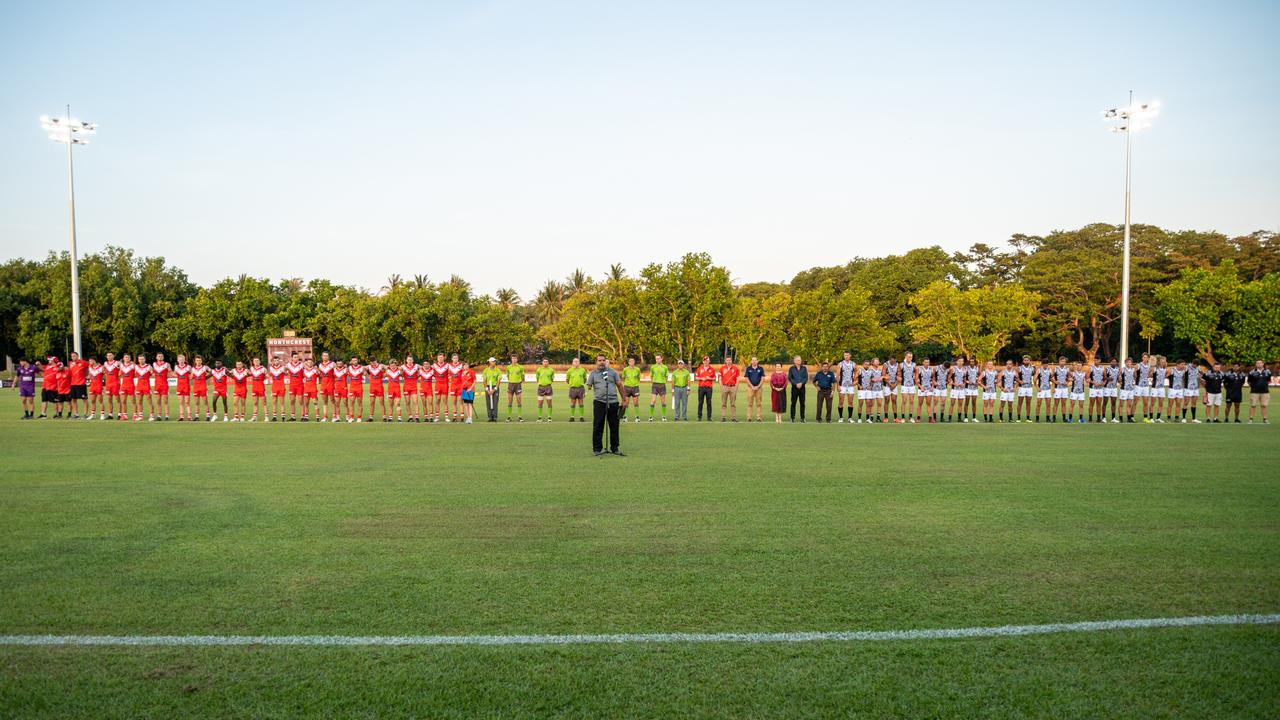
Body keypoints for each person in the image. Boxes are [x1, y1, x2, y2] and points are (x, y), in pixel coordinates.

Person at [587, 356, 626, 456]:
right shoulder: (593, 373)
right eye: (599, 361)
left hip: (613, 402)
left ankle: (615, 448)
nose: (602, 362)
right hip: (599, 402)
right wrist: (589, 386)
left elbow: (620, 385)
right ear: (596, 362)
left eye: (603, 360)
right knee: (598, 426)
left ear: (606, 362)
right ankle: (597, 449)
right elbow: (589, 385)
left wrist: (624, 399)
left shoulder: (613, 372)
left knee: (614, 426)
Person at [836, 351, 857, 423]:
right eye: (845, 355)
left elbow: (857, 373)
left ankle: (850, 418)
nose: (846, 356)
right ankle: (841, 417)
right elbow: (838, 375)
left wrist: (855, 382)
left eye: (847, 355)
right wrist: (838, 385)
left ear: (850, 355)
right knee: (841, 401)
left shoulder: (853, 364)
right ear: (843, 356)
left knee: (850, 402)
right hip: (842, 386)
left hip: (850, 386)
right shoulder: (840, 364)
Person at [565, 357, 587, 422]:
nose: (576, 362)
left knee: (581, 402)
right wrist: (572, 384)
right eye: (575, 361)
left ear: (579, 362)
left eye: (577, 361)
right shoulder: (569, 370)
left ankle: (581, 417)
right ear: (572, 362)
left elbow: (585, 379)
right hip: (573, 388)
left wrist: (581, 384)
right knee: (573, 403)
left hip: (581, 388)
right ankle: (572, 417)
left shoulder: (583, 370)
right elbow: (567, 380)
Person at [718, 356, 740, 422]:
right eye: (727, 360)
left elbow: (738, 378)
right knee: (724, 403)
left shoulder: (735, 368)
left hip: (733, 387)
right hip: (724, 386)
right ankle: (723, 417)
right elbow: (720, 378)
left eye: (730, 360)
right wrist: (721, 387)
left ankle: (733, 418)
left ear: (731, 361)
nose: (728, 361)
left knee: (733, 403)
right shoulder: (722, 368)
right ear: (725, 361)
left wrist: (736, 387)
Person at [648, 354, 670, 422]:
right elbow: (651, 375)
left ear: (661, 359)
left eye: (658, 358)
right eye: (656, 359)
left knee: (663, 401)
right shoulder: (653, 367)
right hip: (655, 385)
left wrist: (664, 382)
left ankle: (663, 416)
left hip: (662, 385)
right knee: (653, 400)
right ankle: (650, 416)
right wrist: (653, 382)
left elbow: (666, 376)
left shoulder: (665, 367)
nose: (657, 360)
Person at [67, 352, 88, 419]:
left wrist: (87, 375)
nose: (73, 357)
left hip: (81, 384)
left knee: (84, 399)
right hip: (73, 384)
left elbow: (89, 367)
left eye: (75, 356)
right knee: (73, 399)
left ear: (78, 356)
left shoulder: (83, 362)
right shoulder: (70, 364)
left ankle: (85, 414)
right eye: (72, 356)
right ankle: (76, 414)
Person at [620, 357, 642, 422]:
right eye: (630, 361)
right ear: (628, 362)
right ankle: (625, 417)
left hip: (635, 387)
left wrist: (635, 383)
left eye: (633, 361)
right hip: (627, 387)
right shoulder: (625, 369)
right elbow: (623, 378)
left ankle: (637, 417)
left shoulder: (637, 369)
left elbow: (638, 378)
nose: (631, 362)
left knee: (636, 403)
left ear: (634, 362)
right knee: (626, 403)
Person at [694, 357, 716, 421]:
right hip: (701, 388)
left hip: (709, 388)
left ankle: (709, 417)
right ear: (703, 361)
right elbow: (696, 377)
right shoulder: (699, 368)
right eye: (704, 361)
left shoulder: (712, 369)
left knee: (709, 403)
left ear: (709, 361)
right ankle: (699, 416)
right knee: (700, 402)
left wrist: (709, 378)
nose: (706, 362)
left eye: (707, 361)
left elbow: (714, 378)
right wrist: (701, 378)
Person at [787, 356, 808, 422]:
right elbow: (790, 378)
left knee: (802, 403)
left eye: (800, 360)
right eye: (798, 360)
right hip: (794, 388)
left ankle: (802, 418)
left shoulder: (804, 368)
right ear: (795, 361)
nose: (800, 361)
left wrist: (801, 383)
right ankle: (792, 417)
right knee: (793, 403)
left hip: (802, 388)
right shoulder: (791, 369)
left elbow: (806, 377)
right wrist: (796, 384)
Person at [744, 357, 765, 422]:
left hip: (759, 388)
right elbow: (746, 378)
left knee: (759, 403)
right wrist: (752, 386)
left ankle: (759, 417)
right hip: (750, 388)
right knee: (750, 403)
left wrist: (758, 386)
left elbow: (762, 378)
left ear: (757, 361)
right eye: (753, 360)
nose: (754, 361)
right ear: (751, 361)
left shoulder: (760, 368)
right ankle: (749, 417)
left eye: (755, 360)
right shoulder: (748, 368)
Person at [898, 352, 917, 424]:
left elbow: (916, 372)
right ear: (905, 356)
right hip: (904, 385)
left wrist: (916, 377)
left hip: (912, 385)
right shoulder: (901, 364)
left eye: (911, 357)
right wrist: (899, 377)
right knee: (904, 401)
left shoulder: (914, 364)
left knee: (911, 401)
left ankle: (910, 417)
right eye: (909, 357)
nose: (910, 358)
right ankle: (903, 417)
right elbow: (899, 373)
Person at [152, 352, 172, 421]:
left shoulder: (167, 364)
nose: (160, 357)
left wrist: (166, 375)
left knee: (165, 401)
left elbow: (170, 373)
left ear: (163, 357)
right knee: (158, 401)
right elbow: (152, 373)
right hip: (157, 385)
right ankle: (159, 415)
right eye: (159, 356)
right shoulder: (154, 364)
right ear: (156, 357)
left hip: (164, 385)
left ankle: (167, 415)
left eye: (161, 356)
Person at [134, 353, 153, 421]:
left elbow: (152, 374)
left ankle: (151, 415)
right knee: (139, 401)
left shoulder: (149, 366)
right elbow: (135, 374)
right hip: (139, 386)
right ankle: (140, 416)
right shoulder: (136, 367)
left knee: (149, 401)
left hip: (146, 386)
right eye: (139, 359)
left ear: (145, 359)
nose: (141, 360)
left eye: (142, 359)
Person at [535, 357, 556, 422]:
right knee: (540, 403)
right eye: (544, 362)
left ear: (548, 363)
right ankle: (539, 417)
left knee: (549, 403)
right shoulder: (539, 370)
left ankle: (549, 417)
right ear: (542, 362)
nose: (545, 363)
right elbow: (537, 378)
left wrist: (548, 383)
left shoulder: (551, 370)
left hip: (548, 387)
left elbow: (552, 379)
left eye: (546, 362)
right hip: (540, 387)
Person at [482, 357, 502, 422]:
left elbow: (499, 381)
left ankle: (495, 417)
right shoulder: (486, 370)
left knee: (495, 402)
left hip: (495, 387)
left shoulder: (498, 370)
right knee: (488, 402)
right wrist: (487, 389)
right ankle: (490, 416)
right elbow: (484, 381)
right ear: (490, 362)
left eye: (495, 361)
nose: (494, 362)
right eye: (493, 361)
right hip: (488, 387)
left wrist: (494, 389)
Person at [432, 353, 451, 422]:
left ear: (444, 358)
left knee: (445, 401)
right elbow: (431, 372)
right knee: (437, 400)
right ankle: (437, 417)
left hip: (445, 385)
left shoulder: (447, 365)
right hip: (438, 385)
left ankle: (446, 417)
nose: (440, 359)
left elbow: (450, 373)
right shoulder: (434, 365)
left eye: (441, 357)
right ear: (437, 358)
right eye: (439, 357)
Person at [286, 353, 305, 421]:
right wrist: (286, 373)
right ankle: (293, 416)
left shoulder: (302, 364)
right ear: (292, 358)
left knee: (301, 401)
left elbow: (306, 371)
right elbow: (285, 370)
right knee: (292, 401)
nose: (296, 358)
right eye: (294, 357)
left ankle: (303, 416)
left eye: (297, 357)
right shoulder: (288, 365)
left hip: (300, 385)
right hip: (292, 385)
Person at [447, 353, 466, 422]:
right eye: (454, 358)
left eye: (456, 358)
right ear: (452, 359)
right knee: (454, 402)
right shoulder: (449, 366)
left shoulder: (461, 365)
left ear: (458, 359)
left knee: (461, 401)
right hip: (453, 386)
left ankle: (462, 416)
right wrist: (450, 379)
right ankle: (455, 417)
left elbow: (464, 374)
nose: (455, 359)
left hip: (460, 386)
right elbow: (448, 374)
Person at [505, 354, 524, 422]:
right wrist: (511, 381)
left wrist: (518, 382)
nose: (514, 360)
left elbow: (523, 377)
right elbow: (507, 376)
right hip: (510, 384)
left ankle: (520, 416)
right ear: (511, 359)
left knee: (519, 401)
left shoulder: (520, 367)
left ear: (517, 359)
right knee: (510, 401)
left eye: (515, 358)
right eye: (513, 358)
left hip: (518, 384)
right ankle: (509, 416)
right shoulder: (508, 367)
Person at [366, 357, 385, 422]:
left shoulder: (381, 366)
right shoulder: (369, 367)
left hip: (379, 386)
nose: (372, 364)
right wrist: (367, 375)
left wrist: (384, 375)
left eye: (373, 362)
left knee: (381, 402)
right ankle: (371, 417)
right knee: (372, 402)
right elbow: (362, 368)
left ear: (376, 361)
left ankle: (384, 416)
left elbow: (388, 367)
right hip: (372, 387)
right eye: (371, 362)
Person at [402, 355, 420, 422]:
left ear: (413, 360)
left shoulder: (416, 366)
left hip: (413, 387)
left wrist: (418, 375)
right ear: (406, 360)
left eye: (411, 360)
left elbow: (424, 368)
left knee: (415, 402)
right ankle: (410, 417)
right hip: (406, 387)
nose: (409, 361)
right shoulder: (403, 367)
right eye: (408, 360)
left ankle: (417, 417)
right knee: (407, 402)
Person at [190, 357, 210, 421]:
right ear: (195, 361)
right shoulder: (193, 369)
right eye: (197, 360)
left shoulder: (205, 367)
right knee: (196, 403)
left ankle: (208, 416)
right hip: (196, 387)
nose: (198, 361)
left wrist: (207, 376)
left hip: (203, 387)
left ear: (201, 361)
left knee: (205, 402)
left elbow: (212, 372)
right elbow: (191, 377)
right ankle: (197, 416)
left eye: (199, 360)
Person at [103, 353, 121, 419]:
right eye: (107, 355)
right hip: (108, 384)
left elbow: (122, 368)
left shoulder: (117, 363)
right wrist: (105, 373)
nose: (109, 357)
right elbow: (103, 370)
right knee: (109, 399)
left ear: (113, 356)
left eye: (110, 355)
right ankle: (110, 414)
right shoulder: (105, 363)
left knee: (117, 399)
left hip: (115, 383)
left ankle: (119, 414)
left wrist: (119, 372)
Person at [175, 355, 193, 421]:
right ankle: (181, 416)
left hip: (186, 386)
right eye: (180, 360)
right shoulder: (176, 367)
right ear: (178, 360)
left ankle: (189, 416)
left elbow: (192, 373)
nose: (181, 361)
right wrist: (176, 375)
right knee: (181, 402)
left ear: (184, 360)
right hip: (179, 386)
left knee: (187, 402)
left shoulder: (188, 367)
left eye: (182, 359)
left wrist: (190, 377)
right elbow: (174, 374)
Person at [118, 354, 136, 421]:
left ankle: (134, 415)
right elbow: (119, 374)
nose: (127, 358)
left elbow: (136, 373)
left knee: (133, 401)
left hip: (131, 385)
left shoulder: (133, 365)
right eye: (126, 357)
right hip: (123, 386)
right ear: (123, 358)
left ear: (130, 358)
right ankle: (124, 415)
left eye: (128, 357)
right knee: (123, 401)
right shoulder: (121, 365)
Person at [347, 357, 365, 423]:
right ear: (351, 361)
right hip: (352, 388)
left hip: (359, 387)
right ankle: (351, 417)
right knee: (351, 403)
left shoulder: (361, 367)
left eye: (356, 360)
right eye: (353, 360)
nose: (354, 361)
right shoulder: (349, 368)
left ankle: (359, 417)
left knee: (359, 403)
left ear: (358, 361)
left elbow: (366, 374)